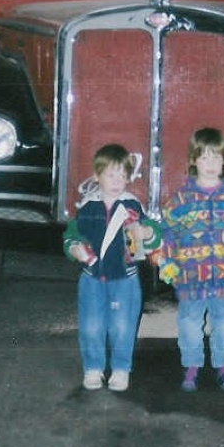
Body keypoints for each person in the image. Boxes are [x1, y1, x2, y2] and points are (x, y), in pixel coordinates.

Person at [159, 128, 224, 391]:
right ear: (193, 160)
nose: (210, 164)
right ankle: (192, 364)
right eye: (204, 158)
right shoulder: (180, 200)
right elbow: (168, 233)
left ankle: (222, 363)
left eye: (216, 158)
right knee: (190, 321)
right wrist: (167, 262)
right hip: (190, 277)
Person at [63, 144, 160, 392]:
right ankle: (93, 368)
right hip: (91, 277)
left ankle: (120, 368)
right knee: (91, 324)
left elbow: (154, 236)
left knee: (122, 325)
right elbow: (71, 235)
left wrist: (146, 231)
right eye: (110, 174)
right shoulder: (87, 207)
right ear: (96, 176)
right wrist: (74, 248)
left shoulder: (133, 206)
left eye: (122, 176)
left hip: (125, 279)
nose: (117, 181)